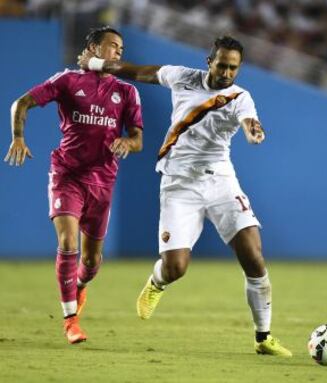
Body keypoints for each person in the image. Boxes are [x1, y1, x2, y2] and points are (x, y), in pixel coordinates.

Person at [78, 35, 292, 356]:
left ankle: (264, 337)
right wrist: (94, 63)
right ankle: (157, 282)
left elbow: (250, 121)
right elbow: (137, 71)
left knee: (254, 256)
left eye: (233, 68)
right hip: (179, 185)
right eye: (222, 65)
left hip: (221, 182)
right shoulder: (183, 77)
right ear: (210, 61)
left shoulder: (239, 97)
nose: (227, 72)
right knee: (176, 267)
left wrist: (253, 130)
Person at [4, 26, 143, 344]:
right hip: (67, 175)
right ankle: (70, 321)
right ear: (94, 48)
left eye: (121, 48)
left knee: (91, 263)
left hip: (103, 182)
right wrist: (18, 137)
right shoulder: (67, 80)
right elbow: (21, 103)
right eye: (112, 46)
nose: (118, 51)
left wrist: (127, 142)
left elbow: (138, 139)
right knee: (68, 242)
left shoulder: (127, 92)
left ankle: (80, 286)